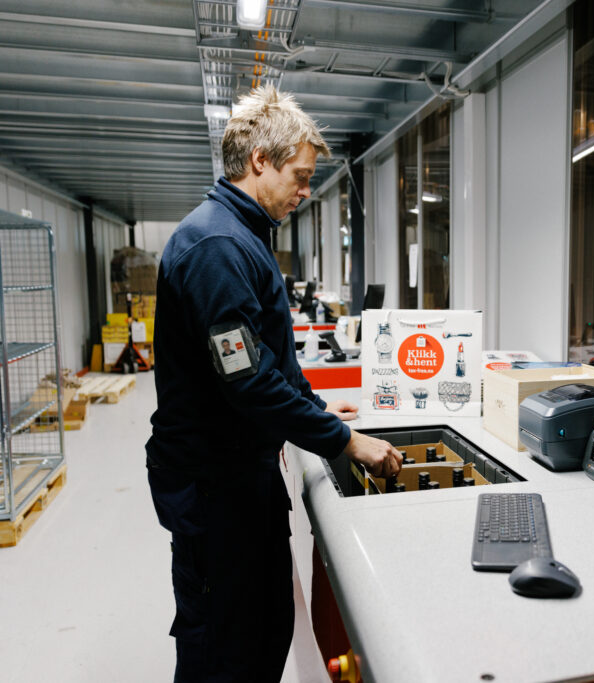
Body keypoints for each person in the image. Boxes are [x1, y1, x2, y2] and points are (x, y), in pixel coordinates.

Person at [145, 84, 402, 682]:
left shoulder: (244, 235)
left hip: (240, 478)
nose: (306, 191)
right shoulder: (215, 245)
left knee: (262, 630)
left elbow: (275, 364)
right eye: (301, 176)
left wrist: (324, 416)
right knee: (225, 652)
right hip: (215, 488)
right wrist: (342, 441)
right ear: (260, 161)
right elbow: (250, 382)